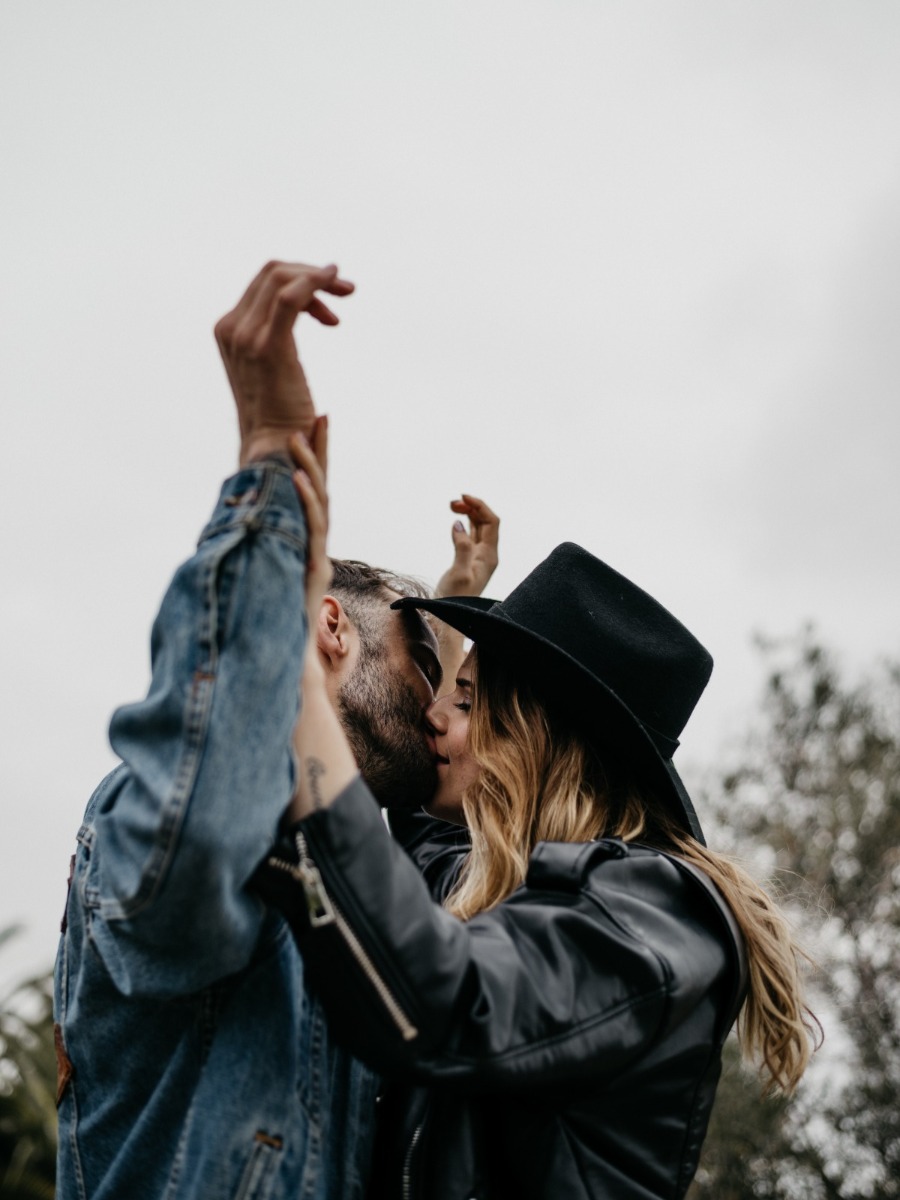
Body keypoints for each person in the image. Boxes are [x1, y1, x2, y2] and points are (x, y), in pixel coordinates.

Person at [254, 431, 818, 1200]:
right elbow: (424, 840)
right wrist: (442, 639)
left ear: (536, 736)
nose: (436, 719)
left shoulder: (652, 920)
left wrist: (296, 684)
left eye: (467, 698)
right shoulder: (512, 895)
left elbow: (441, 998)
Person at [52, 260, 499, 1200]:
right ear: (332, 627)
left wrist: (447, 616)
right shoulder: (178, 805)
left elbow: (429, 864)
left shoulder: (358, 886)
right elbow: (211, 820)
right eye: (430, 665)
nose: (444, 709)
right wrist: (268, 469)